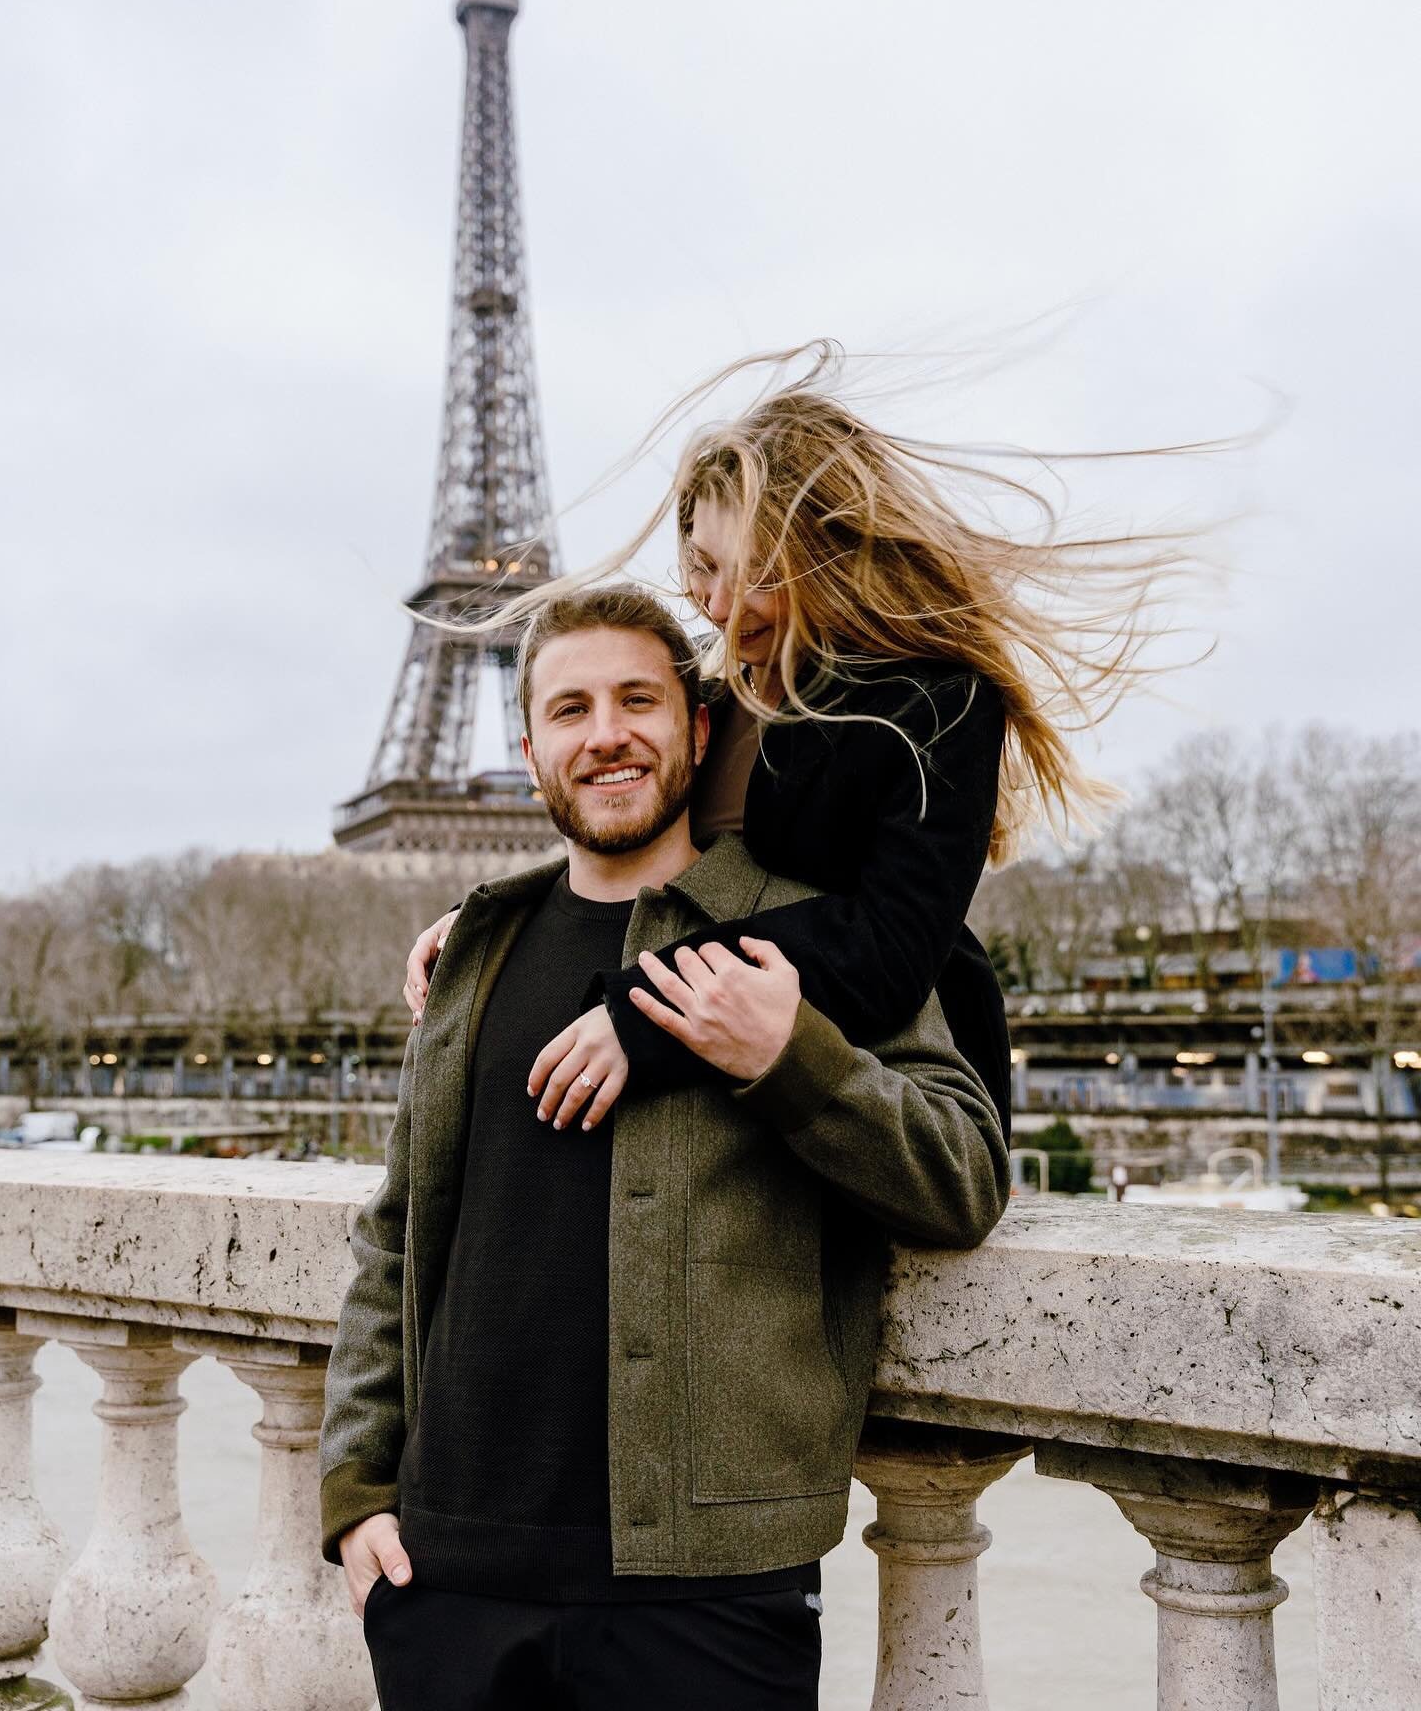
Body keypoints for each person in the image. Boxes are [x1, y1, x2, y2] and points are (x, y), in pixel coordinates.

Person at [320, 585, 1009, 1711]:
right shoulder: (476, 953)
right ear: (532, 746)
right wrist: (356, 1493)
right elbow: (397, 1241)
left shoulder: (813, 937)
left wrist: (788, 1054)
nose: (606, 735)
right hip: (450, 1581)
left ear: (697, 729)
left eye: (638, 699)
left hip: (711, 1596)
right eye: (571, 709)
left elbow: (960, 1176)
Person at [404, 341, 1204, 1142]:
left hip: (882, 1078)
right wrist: (489, 922)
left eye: (755, 573)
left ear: (824, 554)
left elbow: (885, 952)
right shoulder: (726, 697)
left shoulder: (941, 706)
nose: (718, 604)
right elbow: (623, 835)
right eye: (703, 568)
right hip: (714, 1055)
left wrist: (640, 1012)